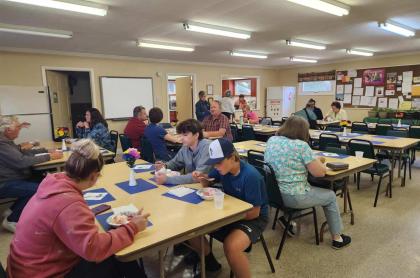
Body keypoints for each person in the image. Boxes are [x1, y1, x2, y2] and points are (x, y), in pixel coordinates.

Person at [7, 139, 150, 278]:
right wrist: (132, 227)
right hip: (43, 273)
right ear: (95, 176)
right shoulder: (69, 204)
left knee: (115, 247)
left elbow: (62, 220)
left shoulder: (54, 184)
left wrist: (87, 214)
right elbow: (93, 249)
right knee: (117, 255)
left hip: (24, 267)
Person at [264, 116, 351, 249]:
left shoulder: (272, 140)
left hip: (274, 194)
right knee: (331, 196)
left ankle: (287, 219)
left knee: (298, 183)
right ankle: (337, 238)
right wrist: (317, 162)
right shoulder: (301, 146)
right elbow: (319, 173)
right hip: (293, 197)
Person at [189, 138, 269, 277]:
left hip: (253, 219)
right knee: (191, 229)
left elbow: (255, 213)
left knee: (231, 247)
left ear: (232, 158)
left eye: (218, 163)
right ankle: (210, 263)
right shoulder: (222, 170)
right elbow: (207, 183)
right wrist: (202, 178)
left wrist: (226, 217)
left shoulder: (251, 176)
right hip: (230, 213)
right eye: (213, 163)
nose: (216, 167)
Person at [0, 116, 63, 233]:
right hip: (5, 183)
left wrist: (46, 151)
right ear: (8, 130)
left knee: (42, 179)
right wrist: (49, 156)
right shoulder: (2, 144)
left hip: (13, 177)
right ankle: (11, 220)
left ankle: (12, 210)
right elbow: (21, 161)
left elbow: (23, 151)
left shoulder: (6, 141)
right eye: (18, 127)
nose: (20, 130)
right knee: (37, 189)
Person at [154, 119, 211, 185]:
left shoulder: (207, 148)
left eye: (185, 135)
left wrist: (167, 179)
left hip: (209, 187)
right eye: (180, 135)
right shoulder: (185, 147)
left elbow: (198, 176)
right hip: (193, 185)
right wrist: (164, 166)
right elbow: (175, 163)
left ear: (196, 135)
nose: (181, 138)